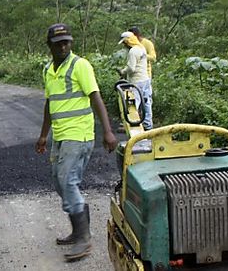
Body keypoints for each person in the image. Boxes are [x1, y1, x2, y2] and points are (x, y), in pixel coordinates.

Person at [35, 23, 117, 262]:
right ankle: (79, 228)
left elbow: (96, 97)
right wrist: (43, 135)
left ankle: (84, 237)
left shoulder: (80, 65)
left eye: (67, 42)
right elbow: (50, 104)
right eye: (58, 42)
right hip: (60, 136)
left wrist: (108, 131)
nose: (63, 46)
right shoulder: (48, 69)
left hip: (79, 134)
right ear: (49, 45)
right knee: (59, 182)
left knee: (67, 180)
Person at [119, 31, 153, 130]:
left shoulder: (133, 51)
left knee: (134, 104)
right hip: (145, 79)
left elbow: (131, 68)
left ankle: (134, 125)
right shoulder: (141, 48)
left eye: (124, 43)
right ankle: (148, 125)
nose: (124, 46)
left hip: (137, 81)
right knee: (146, 102)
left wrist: (123, 71)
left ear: (127, 42)